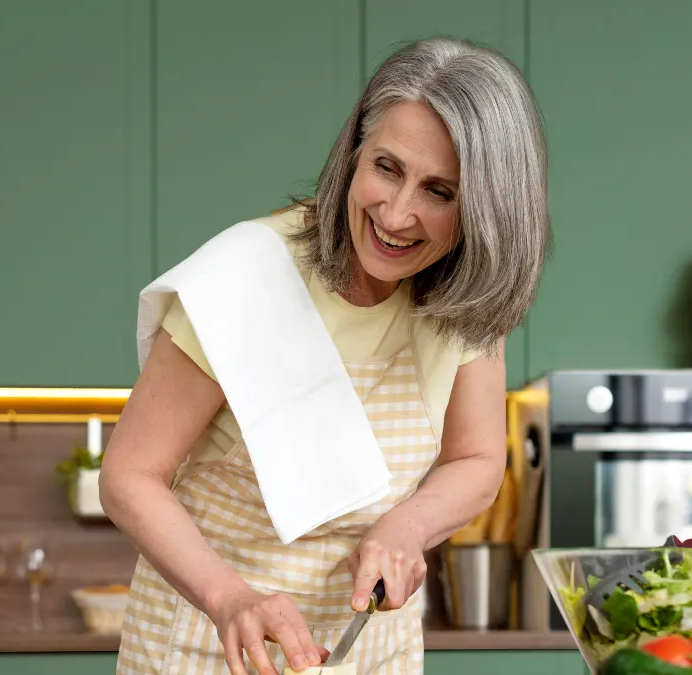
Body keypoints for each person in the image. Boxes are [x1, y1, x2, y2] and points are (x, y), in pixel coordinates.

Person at [100, 36, 549, 675]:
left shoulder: (464, 293)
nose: (396, 214)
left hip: (367, 652)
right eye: (387, 168)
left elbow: (476, 459)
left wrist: (408, 526)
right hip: (210, 643)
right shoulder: (245, 275)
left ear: (487, 210)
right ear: (355, 151)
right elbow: (128, 476)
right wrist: (230, 600)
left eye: (440, 192)